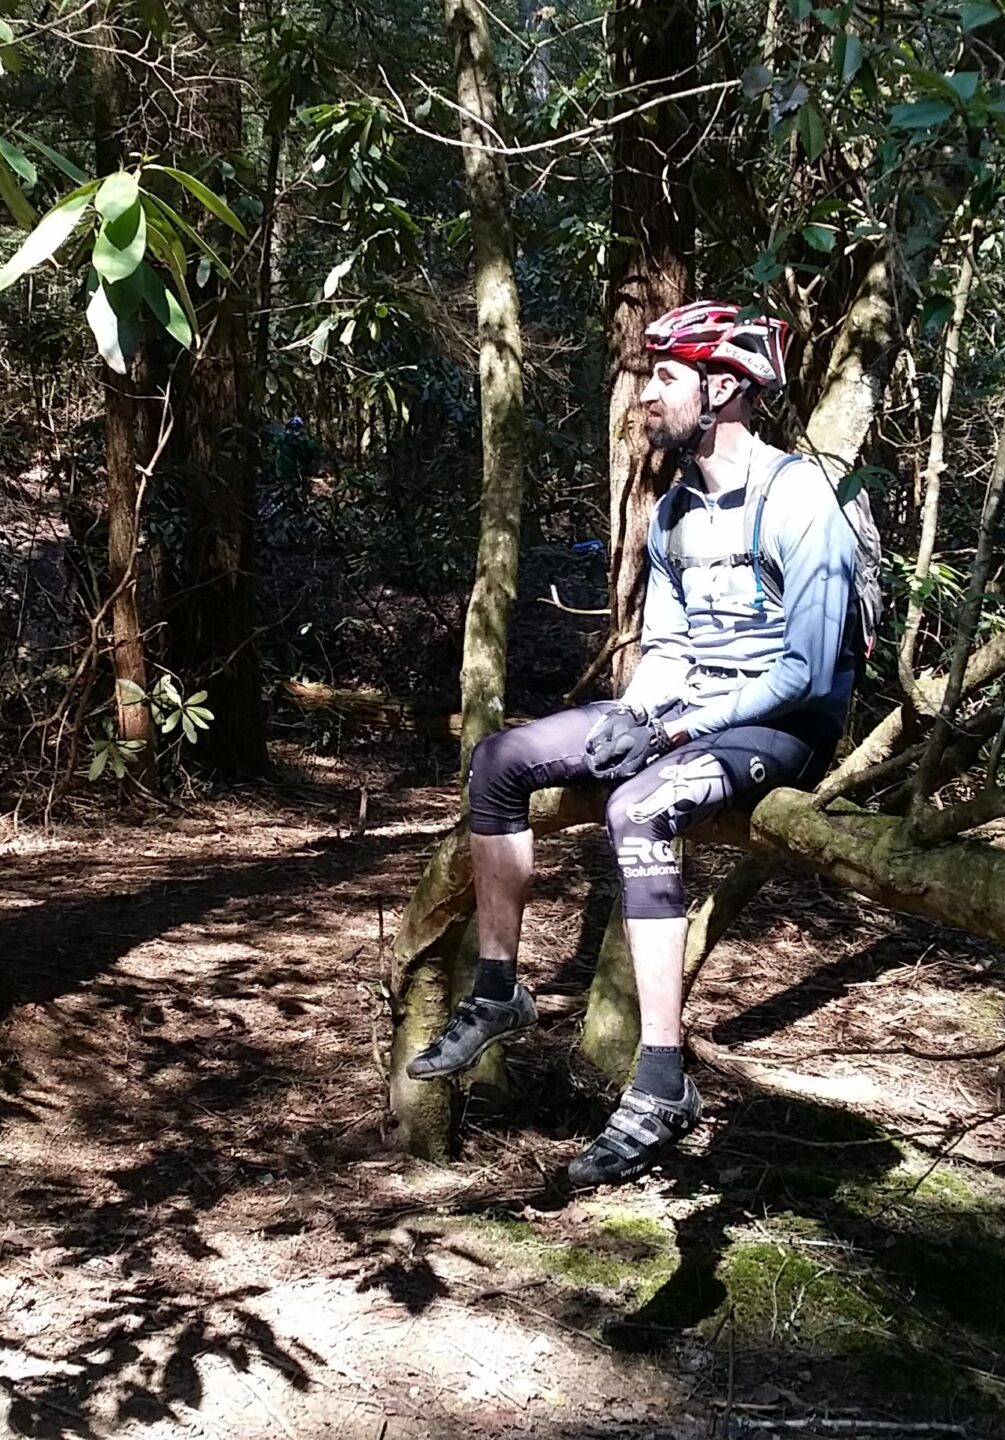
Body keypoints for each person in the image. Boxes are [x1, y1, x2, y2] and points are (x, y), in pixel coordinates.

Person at [409, 301, 866, 1187]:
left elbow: (808, 671)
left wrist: (671, 729)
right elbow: (667, 648)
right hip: (687, 707)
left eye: (665, 376)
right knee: (500, 761)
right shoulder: (673, 511)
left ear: (725, 386)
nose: (644, 393)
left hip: (781, 724)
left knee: (640, 804)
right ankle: (500, 992)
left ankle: (661, 1080)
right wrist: (637, 712)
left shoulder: (800, 497)